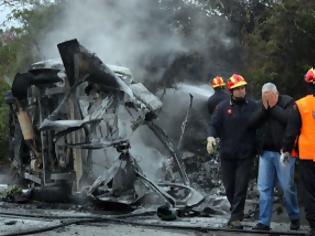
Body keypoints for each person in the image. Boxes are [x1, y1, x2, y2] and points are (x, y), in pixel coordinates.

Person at [207, 74, 258, 229]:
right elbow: (213, 124)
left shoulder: (253, 106)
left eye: (243, 88)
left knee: (241, 185)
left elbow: (261, 126)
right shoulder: (222, 108)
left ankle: (236, 217)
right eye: (238, 89)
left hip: (246, 153)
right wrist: (210, 137)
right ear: (231, 90)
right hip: (227, 153)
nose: (242, 91)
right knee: (230, 186)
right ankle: (236, 211)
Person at [249, 82, 300, 231]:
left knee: (286, 187)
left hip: (283, 153)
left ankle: (295, 217)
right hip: (265, 153)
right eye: (264, 97)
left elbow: (291, 121)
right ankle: (264, 222)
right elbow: (251, 123)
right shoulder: (261, 105)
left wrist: (273, 108)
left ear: (276, 94)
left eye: (269, 97)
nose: (267, 100)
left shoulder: (288, 102)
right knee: (264, 188)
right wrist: (264, 110)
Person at [282, 68, 315, 236]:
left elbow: (292, 131)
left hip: (308, 155)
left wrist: (286, 150)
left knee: (309, 191)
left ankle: (314, 225)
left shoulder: (300, 105)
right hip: (308, 154)